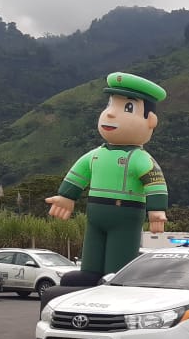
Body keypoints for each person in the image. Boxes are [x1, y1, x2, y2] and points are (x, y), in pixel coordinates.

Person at [45, 72, 169, 284]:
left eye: (127, 108)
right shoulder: (96, 154)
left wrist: (156, 210)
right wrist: (67, 196)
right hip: (95, 213)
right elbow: (79, 174)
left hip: (125, 214)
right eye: (110, 104)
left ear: (150, 121)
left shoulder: (139, 158)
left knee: (119, 254)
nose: (110, 114)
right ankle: (90, 273)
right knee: (92, 248)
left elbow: (155, 181)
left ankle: (115, 278)